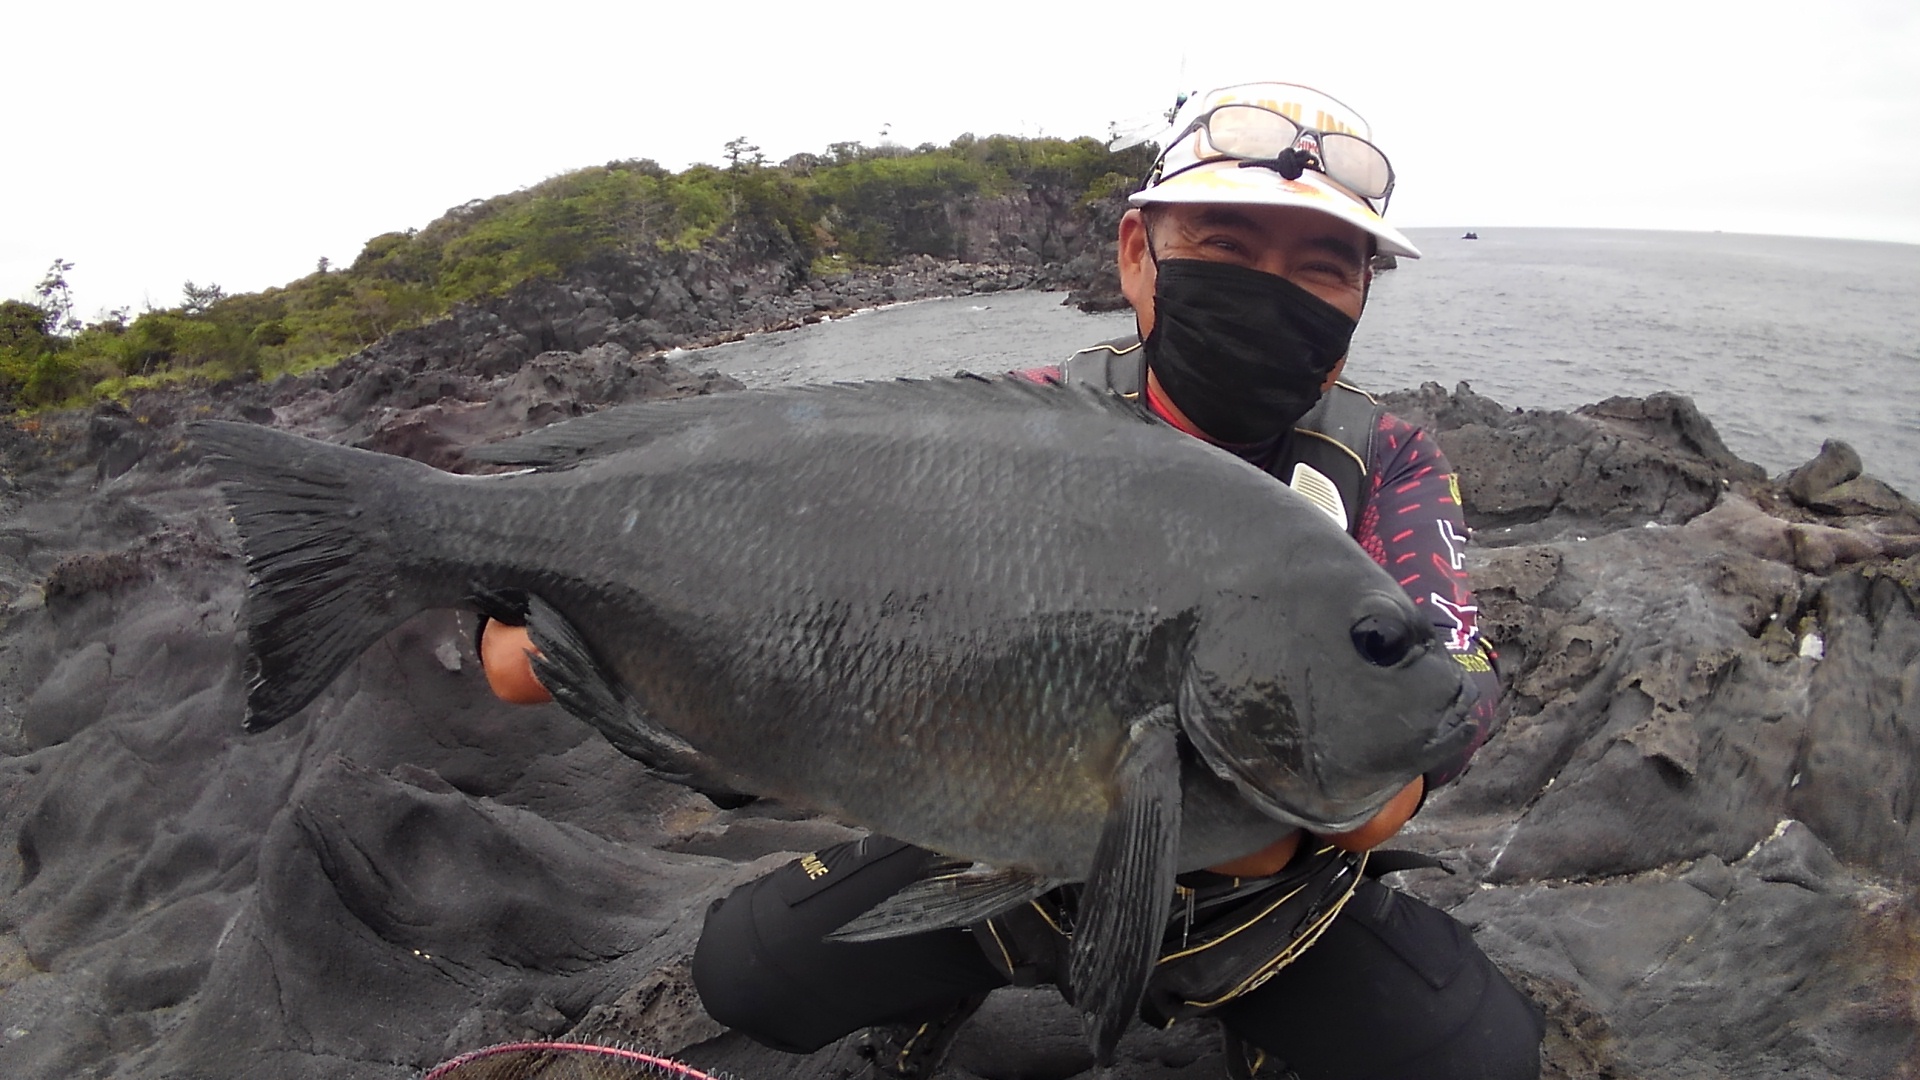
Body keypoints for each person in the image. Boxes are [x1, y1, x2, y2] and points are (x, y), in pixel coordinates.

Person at [478, 81, 1543, 1080]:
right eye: (1224, 243)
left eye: (1323, 266)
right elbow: (804, 553)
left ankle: (1248, 1009)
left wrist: (1335, 806)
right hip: (990, 844)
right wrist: (557, 591)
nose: (1271, 291)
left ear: (1362, 296)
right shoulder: (1010, 429)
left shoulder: (1388, 459)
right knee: (750, 975)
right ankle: (964, 967)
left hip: (1260, 902)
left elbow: (1454, 683)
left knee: (1477, 1055)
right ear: (1137, 252)